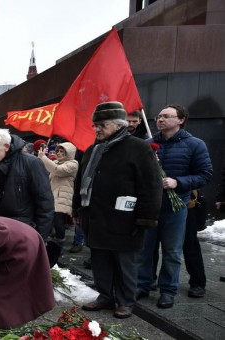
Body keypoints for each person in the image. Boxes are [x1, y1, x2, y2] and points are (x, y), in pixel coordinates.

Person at [73, 101, 162, 319]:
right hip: (95, 217)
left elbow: (151, 186)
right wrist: (77, 209)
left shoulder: (139, 148)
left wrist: (145, 219)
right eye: (95, 125)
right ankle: (105, 296)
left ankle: (125, 301)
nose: (97, 129)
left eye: (102, 125)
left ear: (119, 124)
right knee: (100, 261)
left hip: (125, 220)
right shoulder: (92, 149)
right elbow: (80, 181)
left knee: (125, 264)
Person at [136, 104, 212, 308]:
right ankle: (143, 284)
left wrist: (178, 182)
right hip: (151, 205)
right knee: (146, 248)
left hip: (177, 207)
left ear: (181, 120)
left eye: (166, 116)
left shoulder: (195, 144)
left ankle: (168, 290)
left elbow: (205, 174)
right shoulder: (147, 144)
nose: (160, 120)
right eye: (158, 116)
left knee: (172, 251)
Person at [38, 142, 78, 245]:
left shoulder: (73, 164)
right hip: (52, 195)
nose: (59, 153)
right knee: (51, 220)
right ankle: (53, 242)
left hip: (62, 196)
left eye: (62, 151)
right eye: (58, 151)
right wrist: (40, 157)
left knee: (58, 221)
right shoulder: (55, 162)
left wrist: (44, 158)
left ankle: (60, 242)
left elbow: (58, 171)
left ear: (69, 153)